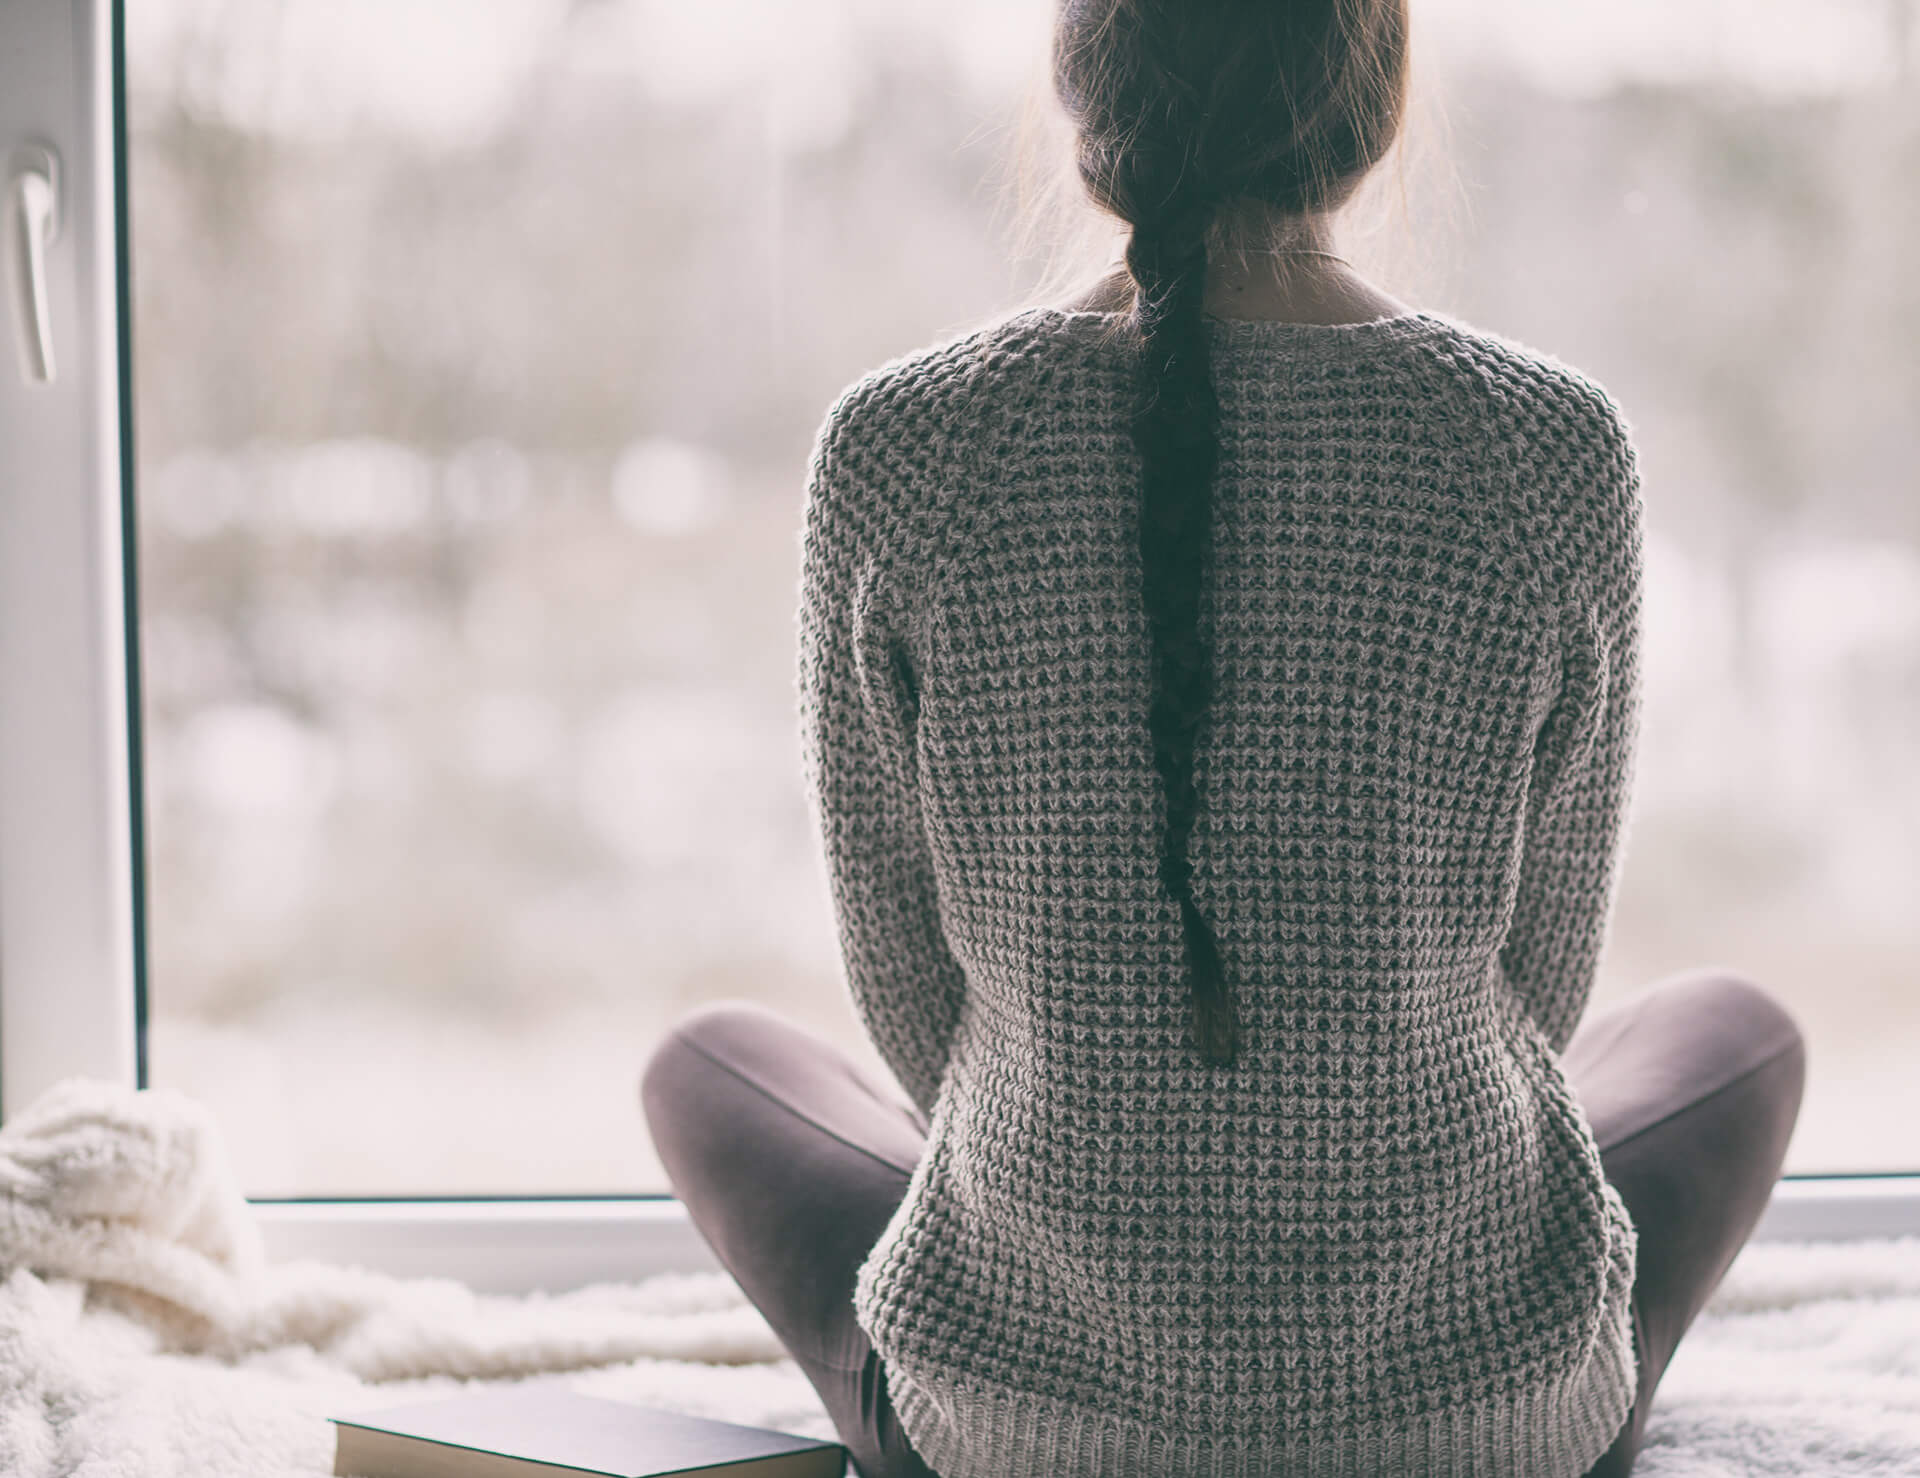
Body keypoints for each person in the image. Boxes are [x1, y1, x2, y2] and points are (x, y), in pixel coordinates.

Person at [640, 2, 1808, 1475]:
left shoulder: (901, 448)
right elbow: (1542, 985)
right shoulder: (1548, 448)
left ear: (1086, 101)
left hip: (1017, 1430)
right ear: (1370, 104)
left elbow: (914, 1001)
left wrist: (1112, 1149)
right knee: (1738, 1036)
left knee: (707, 1061)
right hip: (1478, 1429)